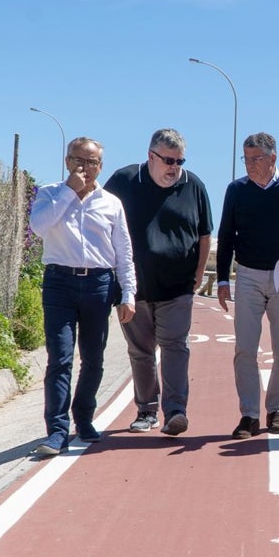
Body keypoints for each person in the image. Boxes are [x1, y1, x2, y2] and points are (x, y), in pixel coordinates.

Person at [29, 137, 136, 456]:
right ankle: (57, 430)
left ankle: (84, 418)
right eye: (78, 160)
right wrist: (68, 192)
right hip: (59, 282)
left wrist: (128, 292)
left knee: (93, 357)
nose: (84, 168)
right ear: (67, 161)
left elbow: (124, 251)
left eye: (91, 162)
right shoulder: (50, 194)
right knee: (59, 358)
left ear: (101, 166)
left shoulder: (111, 203)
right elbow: (38, 227)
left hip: (98, 284)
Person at [104, 128, 212, 437]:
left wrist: (200, 272)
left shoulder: (194, 185)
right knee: (141, 351)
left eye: (179, 161)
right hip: (132, 286)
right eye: (168, 160)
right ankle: (146, 410)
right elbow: (102, 223)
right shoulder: (124, 181)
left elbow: (204, 234)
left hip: (178, 286)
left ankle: (176, 411)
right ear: (151, 156)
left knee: (176, 347)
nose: (174, 168)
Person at [215, 132, 279, 439]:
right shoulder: (236, 190)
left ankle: (275, 409)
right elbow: (226, 235)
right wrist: (222, 278)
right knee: (245, 349)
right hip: (247, 275)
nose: (249, 164)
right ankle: (248, 415)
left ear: (272, 158)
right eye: (246, 159)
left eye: (256, 159)